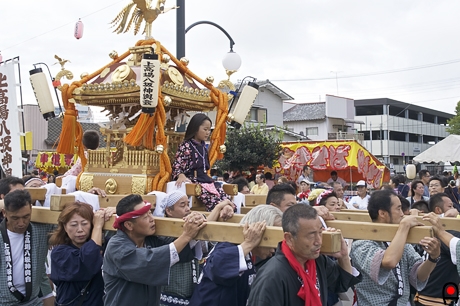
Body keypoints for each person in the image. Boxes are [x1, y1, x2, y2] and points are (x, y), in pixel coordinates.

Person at [247, 204, 361, 306]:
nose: (318, 241)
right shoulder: (272, 276)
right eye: (311, 235)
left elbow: (341, 283)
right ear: (289, 239)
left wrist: (344, 256)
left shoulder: (317, 260)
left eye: (320, 233)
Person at [103, 194, 206, 306]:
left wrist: (196, 222)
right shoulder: (117, 246)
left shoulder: (150, 240)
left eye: (150, 213)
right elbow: (149, 262)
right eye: (145, 217)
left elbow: (178, 249)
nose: (152, 219)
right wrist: (186, 236)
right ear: (129, 225)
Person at [350, 189, 441, 306]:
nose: (402, 214)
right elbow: (389, 262)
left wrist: (433, 258)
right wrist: (404, 227)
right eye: (398, 209)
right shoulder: (361, 243)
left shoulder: (401, 240)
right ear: (382, 213)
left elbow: (418, 275)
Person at [189, 205, 283, 306]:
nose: (275, 246)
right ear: (258, 231)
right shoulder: (229, 246)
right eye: (272, 238)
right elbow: (218, 267)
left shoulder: (249, 253)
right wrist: (249, 243)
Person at [157, 191, 234, 305]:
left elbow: (203, 236)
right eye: (183, 205)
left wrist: (220, 209)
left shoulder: (190, 228)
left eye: (188, 204)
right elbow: (187, 241)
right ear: (169, 211)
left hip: (191, 290)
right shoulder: (161, 232)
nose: (188, 209)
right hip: (172, 291)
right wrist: (217, 208)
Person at [49, 202, 114, 306]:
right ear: (65, 227)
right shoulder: (59, 253)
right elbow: (89, 261)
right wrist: (98, 227)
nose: (80, 230)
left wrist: (116, 211)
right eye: (74, 225)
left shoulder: (105, 244)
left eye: (84, 224)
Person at [0, 189, 54, 306]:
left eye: (26, 216)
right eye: (15, 218)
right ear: (4, 213)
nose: (21, 223)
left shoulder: (41, 229)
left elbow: (70, 221)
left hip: (33, 301)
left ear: (31, 209)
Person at [172, 113, 228, 211]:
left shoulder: (203, 147)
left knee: (223, 195)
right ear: (195, 128)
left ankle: (228, 208)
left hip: (205, 179)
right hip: (193, 179)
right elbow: (177, 165)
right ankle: (219, 213)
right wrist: (180, 175)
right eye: (205, 129)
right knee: (212, 199)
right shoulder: (186, 146)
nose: (207, 133)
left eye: (209, 130)